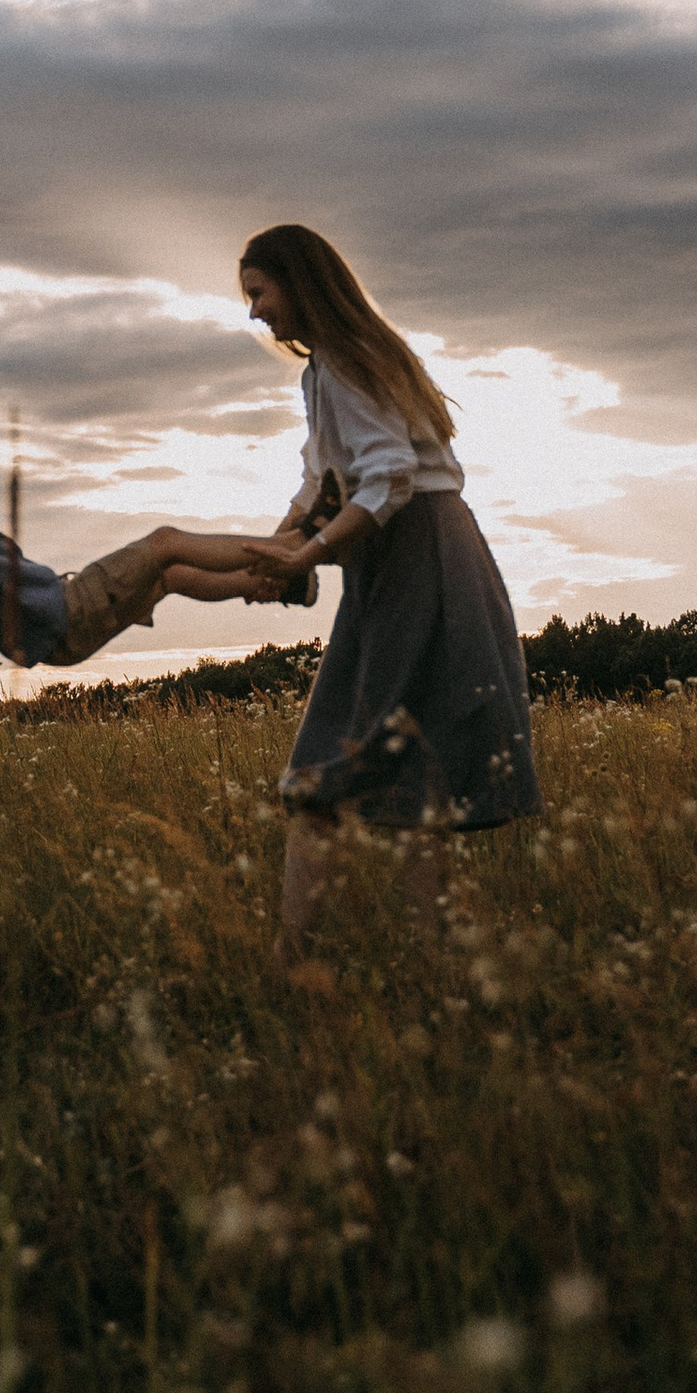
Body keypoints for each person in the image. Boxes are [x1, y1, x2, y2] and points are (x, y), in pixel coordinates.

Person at [237, 221, 541, 951]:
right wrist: (279, 546)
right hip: (406, 560)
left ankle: (297, 961)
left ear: (299, 283)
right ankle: (429, 971)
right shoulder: (326, 369)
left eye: (259, 292)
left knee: (353, 773)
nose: (253, 312)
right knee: (409, 779)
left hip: (419, 556)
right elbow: (321, 476)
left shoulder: (344, 361)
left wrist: (305, 553)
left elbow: (390, 477)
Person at [0, 360, 294, 666]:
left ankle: (274, 583)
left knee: (169, 576)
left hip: (56, 634)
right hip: (65, 611)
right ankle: (290, 550)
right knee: (164, 542)